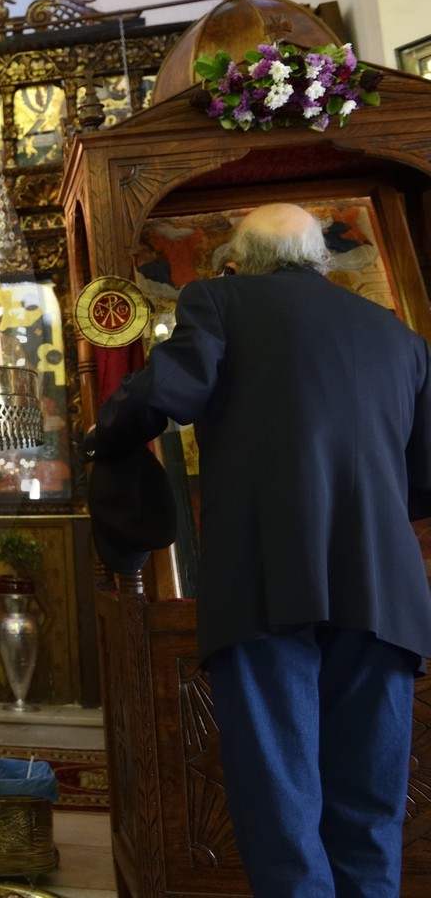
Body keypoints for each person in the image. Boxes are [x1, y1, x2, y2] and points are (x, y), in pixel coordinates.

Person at [84, 202, 431, 898]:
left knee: (281, 804)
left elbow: (171, 390)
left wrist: (108, 433)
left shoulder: (219, 300)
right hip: (385, 589)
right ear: (322, 260)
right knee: (370, 805)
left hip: (267, 580)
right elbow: (422, 479)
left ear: (234, 263)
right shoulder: (398, 335)